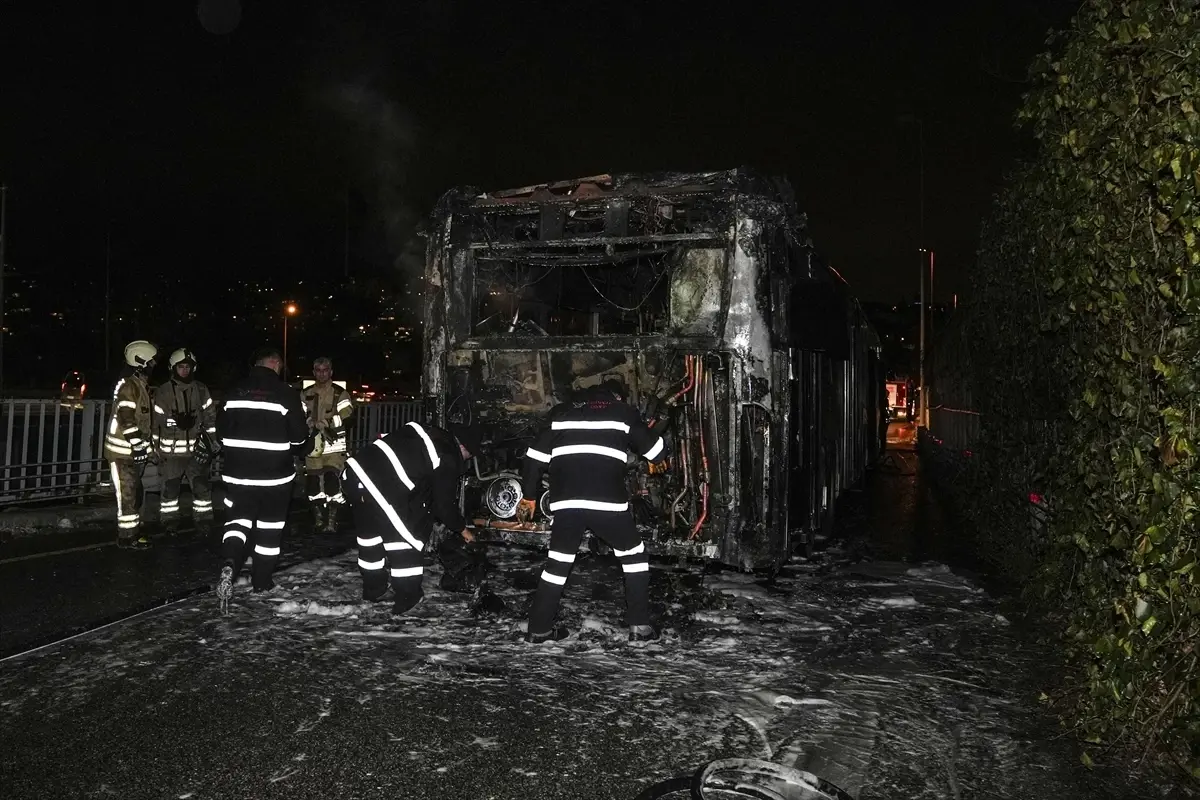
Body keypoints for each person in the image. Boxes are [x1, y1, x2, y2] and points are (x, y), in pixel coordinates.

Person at [516, 381, 666, 643]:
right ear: (615, 395)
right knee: (633, 556)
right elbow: (655, 453)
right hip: (607, 504)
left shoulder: (561, 413)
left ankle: (538, 630)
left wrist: (529, 497)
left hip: (566, 504)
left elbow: (533, 459)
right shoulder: (623, 412)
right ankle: (639, 628)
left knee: (557, 565)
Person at [343, 420, 482, 615]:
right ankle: (407, 598)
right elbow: (444, 505)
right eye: (469, 454)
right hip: (381, 483)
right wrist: (463, 530)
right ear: (462, 447)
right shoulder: (447, 454)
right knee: (406, 540)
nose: (467, 459)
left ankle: (374, 590)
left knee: (370, 538)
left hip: (354, 475)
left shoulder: (429, 433)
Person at [214, 348, 310, 607]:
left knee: (237, 522)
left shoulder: (234, 391)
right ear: (276, 364)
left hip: (237, 475)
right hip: (274, 478)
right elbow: (300, 439)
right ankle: (262, 581)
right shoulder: (286, 394)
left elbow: (220, 434)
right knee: (269, 531)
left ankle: (229, 565)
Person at [151, 348, 217, 531]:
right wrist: (155, 448)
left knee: (202, 487)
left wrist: (212, 442)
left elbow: (211, 417)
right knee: (170, 490)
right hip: (171, 454)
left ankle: (204, 520)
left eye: (188, 366)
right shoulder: (163, 392)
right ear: (173, 368)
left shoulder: (202, 389)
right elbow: (156, 422)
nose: (185, 370)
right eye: (181, 367)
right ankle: (169, 521)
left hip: (197, 452)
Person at [104, 340, 158, 549]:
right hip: (122, 453)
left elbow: (144, 423)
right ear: (141, 362)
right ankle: (127, 537)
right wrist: (138, 446)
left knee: (134, 494)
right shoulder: (129, 386)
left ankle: (133, 532)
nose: (154, 365)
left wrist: (148, 449)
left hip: (132, 453)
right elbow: (127, 419)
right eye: (151, 361)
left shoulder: (141, 386)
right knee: (126, 497)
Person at [301, 357, 354, 533]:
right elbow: (299, 415)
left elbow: (348, 417)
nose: (322, 373)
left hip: (334, 447)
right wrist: (307, 421)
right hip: (313, 446)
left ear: (331, 372)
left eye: (325, 370)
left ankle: (332, 521)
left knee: (332, 482)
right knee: (313, 484)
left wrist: (327, 423)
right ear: (313, 372)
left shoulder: (340, 393)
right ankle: (318, 520)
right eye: (318, 370)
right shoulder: (305, 393)